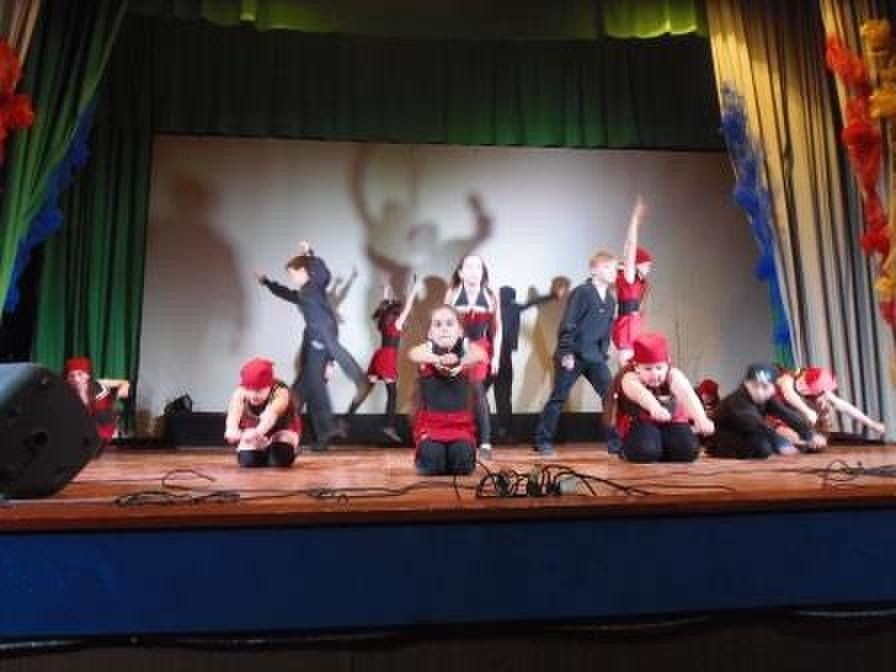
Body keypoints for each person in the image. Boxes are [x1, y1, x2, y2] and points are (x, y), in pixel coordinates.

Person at [533, 251, 617, 456]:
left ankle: (615, 442)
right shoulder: (582, 292)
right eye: (607, 267)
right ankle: (542, 440)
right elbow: (568, 323)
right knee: (558, 398)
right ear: (594, 270)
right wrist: (566, 353)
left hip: (594, 357)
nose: (612, 272)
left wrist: (602, 353)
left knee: (610, 396)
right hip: (573, 355)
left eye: (614, 268)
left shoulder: (610, 300)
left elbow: (606, 331)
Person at [257, 252, 343, 450]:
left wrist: (310, 254)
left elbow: (324, 277)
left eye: (293, 273)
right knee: (308, 394)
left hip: (320, 348)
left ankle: (285, 434)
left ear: (303, 271)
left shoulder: (315, 288)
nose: (292, 278)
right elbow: (289, 294)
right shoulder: (305, 292)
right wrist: (268, 283)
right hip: (311, 346)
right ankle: (322, 436)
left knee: (299, 393)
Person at [408, 305, 487, 475]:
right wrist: (438, 360)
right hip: (432, 428)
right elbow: (414, 353)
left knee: (462, 460)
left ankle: (454, 456)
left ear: (460, 331)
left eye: (449, 324)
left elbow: (481, 354)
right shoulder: (427, 351)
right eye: (438, 324)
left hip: (460, 428)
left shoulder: (466, 349)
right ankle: (435, 457)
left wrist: (459, 363)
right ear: (430, 333)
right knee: (432, 460)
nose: (444, 329)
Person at [614, 333, 713, 463]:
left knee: (689, 450)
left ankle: (660, 448)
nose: (655, 374)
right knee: (645, 451)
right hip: (640, 422)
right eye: (648, 369)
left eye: (659, 368)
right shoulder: (629, 377)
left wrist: (701, 419)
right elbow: (640, 393)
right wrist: (655, 408)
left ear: (667, 363)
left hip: (670, 421)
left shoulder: (673, 374)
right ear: (637, 367)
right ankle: (633, 449)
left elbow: (686, 394)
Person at [346, 275, 421, 443]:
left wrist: (386, 291)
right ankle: (389, 427)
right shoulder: (397, 323)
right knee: (392, 394)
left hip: (378, 356)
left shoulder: (383, 321)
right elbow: (408, 306)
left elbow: (385, 305)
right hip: (388, 357)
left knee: (367, 389)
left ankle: (346, 418)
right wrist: (413, 289)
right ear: (397, 313)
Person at [445, 254, 502, 458]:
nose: (473, 271)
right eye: (469, 267)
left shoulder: (491, 294)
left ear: (483, 272)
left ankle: (485, 443)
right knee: (457, 395)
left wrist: (496, 357)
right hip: (457, 348)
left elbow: (497, 329)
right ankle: (457, 438)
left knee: (477, 391)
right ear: (461, 273)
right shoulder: (452, 293)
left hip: (479, 349)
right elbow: (443, 323)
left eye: (478, 267)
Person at [708, 363, 825, 459]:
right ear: (746, 384)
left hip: (747, 431)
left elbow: (785, 414)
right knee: (763, 448)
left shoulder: (768, 398)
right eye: (755, 386)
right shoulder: (739, 399)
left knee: (765, 445)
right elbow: (757, 424)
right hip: (722, 435)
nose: (759, 392)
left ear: (773, 387)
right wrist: (782, 443)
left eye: (764, 387)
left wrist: (809, 435)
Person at [493, 284, 560, 443]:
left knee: (486, 396)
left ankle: (493, 432)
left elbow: (533, 301)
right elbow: (534, 302)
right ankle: (505, 432)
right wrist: (553, 295)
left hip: (494, 357)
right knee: (503, 397)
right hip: (503, 358)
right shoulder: (513, 308)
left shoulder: (494, 309)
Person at [773, 366, 885, 441]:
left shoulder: (810, 388)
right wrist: (807, 412)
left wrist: (872, 424)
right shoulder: (786, 380)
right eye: (820, 392)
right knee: (793, 442)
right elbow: (789, 395)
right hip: (771, 416)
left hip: (787, 418)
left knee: (813, 441)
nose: (823, 395)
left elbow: (844, 406)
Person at [224, 357, 300, 467]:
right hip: (253, 428)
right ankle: (263, 451)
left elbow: (271, 415)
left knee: (280, 458)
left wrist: (258, 432)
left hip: (279, 427)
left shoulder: (280, 392)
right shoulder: (240, 392)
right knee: (248, 461)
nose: (253, 395)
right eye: (249, 389)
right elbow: (234, 411)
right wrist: (232, 429)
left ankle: (284, 450)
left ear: (269, 386)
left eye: (259, 390)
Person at [613, 197, 651, 365]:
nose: (649, 268)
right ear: (637, 264)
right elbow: (630, 247)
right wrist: (634, 221)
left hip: (634, 326)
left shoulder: (640, 282)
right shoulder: (629, 277)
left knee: (634, 369)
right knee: (627, 369)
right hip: (626, 327)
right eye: (647, 265)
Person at [64, 357, 130, 446]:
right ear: (68, 378)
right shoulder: (66, 391)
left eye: (80, 374)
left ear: (88, 375)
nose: (76, 379)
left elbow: (124, 383)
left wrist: (122, 390)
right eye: (72, 376)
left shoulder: (99, 385)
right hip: (81, 433)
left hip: (102, 429)